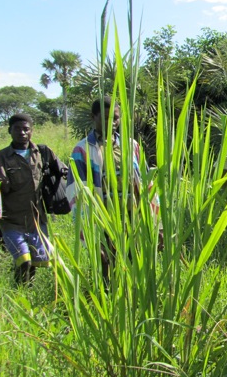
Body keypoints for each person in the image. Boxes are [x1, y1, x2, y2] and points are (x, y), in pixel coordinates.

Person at [66, 96, 158, 282]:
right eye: (105, 118)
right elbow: (76, 193)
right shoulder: (82, 150)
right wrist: (91, 236)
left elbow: (146, 182)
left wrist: (157, 224)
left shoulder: (131, 146)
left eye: (115, 118)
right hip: (102, 220)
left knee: (135, 265)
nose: (112, 123)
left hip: (133, 218)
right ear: (93, 117)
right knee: (107, 268)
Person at [0, 114, 66, 285]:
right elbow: (4, 187)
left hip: (37, 219)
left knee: (37, 262)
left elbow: (63, 170)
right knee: (23, 261)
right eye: (17, 129)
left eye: (26, 129)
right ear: (9, 131)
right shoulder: (1, 156)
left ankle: (27, 290)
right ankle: (19, 291)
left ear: (32, 131)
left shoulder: (42, 152)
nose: (22, 133)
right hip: (12, 221)